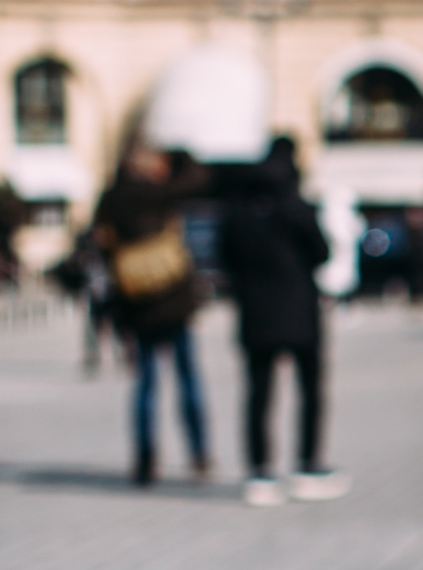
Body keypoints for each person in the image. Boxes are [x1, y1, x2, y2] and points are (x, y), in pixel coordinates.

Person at [216, 136, 350, 505]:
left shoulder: (238, 210)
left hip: (255, 314)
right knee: (310, 390)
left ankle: (260, 472)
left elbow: (224, 257)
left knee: (259, 393)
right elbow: (321, 253)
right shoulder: (297, 206)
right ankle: (307, 465)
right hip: (300, 313)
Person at [92, 143, 211, 484]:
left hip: (136, 303)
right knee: (188, 378)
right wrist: (179, 154)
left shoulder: (111, 198)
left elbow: (102, 248)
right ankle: (198, 452)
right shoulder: (160, 193)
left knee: (145, 383)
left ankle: (145, 459)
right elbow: (199, 178)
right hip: (174, 299)